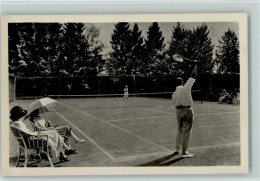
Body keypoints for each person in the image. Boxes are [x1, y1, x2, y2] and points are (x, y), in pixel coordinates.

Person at [172, 63, 197, 158]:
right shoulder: (186, 87)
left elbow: (174, 104)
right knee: (186, 131)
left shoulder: (173, 94)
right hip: (187, 110)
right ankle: (184, 152)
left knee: (179, 130)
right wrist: (195, 65)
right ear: (182, 83)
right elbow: (193, 75)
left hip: (178, 112)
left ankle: (176, 149)